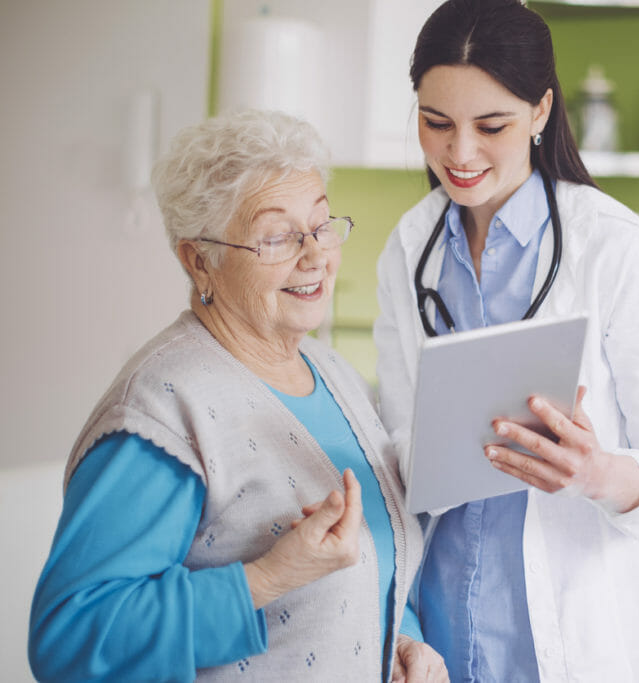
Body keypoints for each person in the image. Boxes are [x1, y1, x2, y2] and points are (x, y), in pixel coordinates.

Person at [29, 110, 447, 682]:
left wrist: (400, 639)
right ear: (199, 260)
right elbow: (70, 640)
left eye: (322, 225)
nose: (315, 254)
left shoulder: (333, 372)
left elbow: (363, 571)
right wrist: (268, 577)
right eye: (276, 236)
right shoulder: (164, 410)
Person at [372, 1, 639, 680]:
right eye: (436, 123)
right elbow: (399, 435)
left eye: (489, 125)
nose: (458, 153)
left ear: (541, 111)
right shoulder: (409, 249)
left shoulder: (614, 250)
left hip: (569, 637)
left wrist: (599, 473)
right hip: (436, 632)